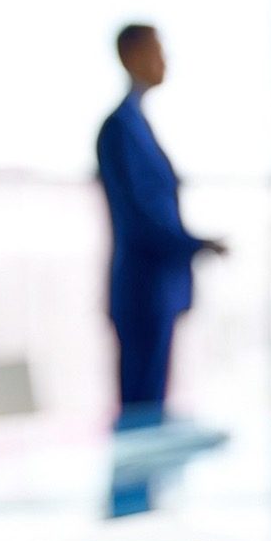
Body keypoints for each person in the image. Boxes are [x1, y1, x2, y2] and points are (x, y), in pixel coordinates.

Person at [97, 23, 226, 425]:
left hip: (157, 288)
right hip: (142, 288)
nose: (163, 61)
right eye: (156, 51)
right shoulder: (119, 128)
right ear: (131, 56)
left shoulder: (137, 125)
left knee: (152, 407)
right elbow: (140, 216)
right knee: (141, 412)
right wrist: (195, 244)